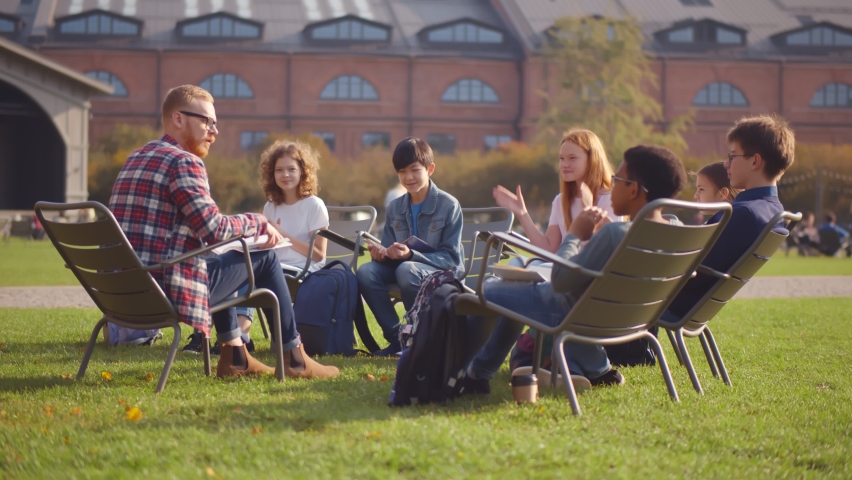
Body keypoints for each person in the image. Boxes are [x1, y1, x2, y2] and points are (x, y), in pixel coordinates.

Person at [109, 84, 338, 379]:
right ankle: (295, 357)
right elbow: (214, 229)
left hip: (124, 294)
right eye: (207, 121)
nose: (214, 132)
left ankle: (235, 355)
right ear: (178, 119)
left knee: (223, 256)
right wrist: (258, 222)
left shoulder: (136, 158)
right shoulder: (184, 162)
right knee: (265, 257)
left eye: (215, 123)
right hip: (167, 292)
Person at [462, 145, 689, 394]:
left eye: (617, 181)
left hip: (570, 313)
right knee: (514, 291)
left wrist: (574, 235)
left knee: (491, 289)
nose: (611, 186)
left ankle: (472, 373)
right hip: (631, 321)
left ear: (633, 189)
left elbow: (560, 282)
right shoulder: (675, 231)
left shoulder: (616, 234)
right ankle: (598, 369)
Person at [185, 140, 331, 355]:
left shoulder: (314, 205)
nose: (285, 175)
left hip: (304, 268)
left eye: (292, 169)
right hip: (273, 265)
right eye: (279, 170)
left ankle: (238, 335)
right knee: (237, 267)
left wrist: (283, 235)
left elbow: (319, 255)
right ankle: (208, 334)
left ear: (303, 172)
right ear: (271, 175)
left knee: (250, 273)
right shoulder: (271, 206)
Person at [666, 114, 795, 319]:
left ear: (755, 161)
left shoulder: (742, 214)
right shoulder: (774, 210)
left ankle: (630, 352)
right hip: (695, 304)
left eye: (732, 157)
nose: (726, 164)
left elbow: (698, 272)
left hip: (672, 301)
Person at [356, 137, 464, 356]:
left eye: (414, 170)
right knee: (366, 271)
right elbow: (389, 251)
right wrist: (381, 254)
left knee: (407, 269)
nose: (408, 177)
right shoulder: (395, 207)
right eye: (402, 171)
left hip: (441, 273)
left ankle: (421, 338)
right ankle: (398, 339)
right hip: (405, 270)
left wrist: (411, 255)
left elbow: (452, 259)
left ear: (430, 169)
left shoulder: (448, 205)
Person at [493, 128, 617, 256]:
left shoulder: (610, 198)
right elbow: (548, 250)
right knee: (516, 263)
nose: (564, 164)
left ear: (592, 160)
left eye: (572, 158)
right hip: (561, 270)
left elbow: (604, 249)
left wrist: (588, 209)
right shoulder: (560, 201)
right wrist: (522, 213)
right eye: (561, 158)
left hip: (586, 272)